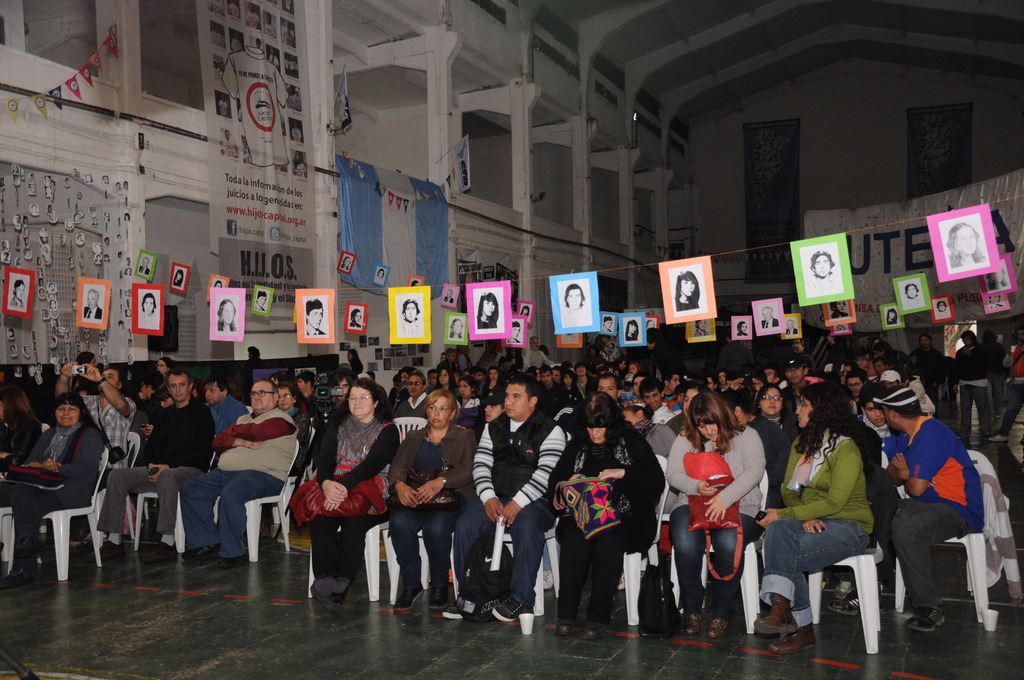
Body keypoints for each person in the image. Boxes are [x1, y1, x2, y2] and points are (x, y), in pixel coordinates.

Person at [753, 381, 873, 654]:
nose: (797, 410)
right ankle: (784, 612)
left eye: (804, 405)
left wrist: (789, 514)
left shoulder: (845, 448)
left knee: (786, 549)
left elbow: (834, 502)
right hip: (815, 520)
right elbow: (789, 491)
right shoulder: (802, 444)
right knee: (778, 530)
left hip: (850, 525)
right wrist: (803, 516)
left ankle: (799, 626)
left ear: (820, 410)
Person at [547, 392, 664, 639]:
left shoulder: (630, 440)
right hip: (582, 516)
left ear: (611, 423)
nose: (595, 433)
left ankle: (598, 617)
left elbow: (655, 481)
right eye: (590, 427)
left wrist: (624, 473)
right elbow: (555, 482)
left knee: (609, 541)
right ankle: (566, 615)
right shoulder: (578, 443)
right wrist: (568, 482)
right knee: (574, 540)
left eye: (600, 427)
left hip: (627, 516)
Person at [450, 375, 566, 621]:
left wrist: (518, 502)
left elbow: (547, 473)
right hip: (496, 497)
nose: (509, 402)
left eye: (516, 397)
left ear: (532, 401)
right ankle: (469, 593)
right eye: (507, 396)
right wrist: (488, 497)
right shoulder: (493, 427)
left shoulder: (551, 430)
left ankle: (521, 598)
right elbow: (481, 465)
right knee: (466, 523)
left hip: (537, 502)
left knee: (526, 524)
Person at [880, 386, 983, 631]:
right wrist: (902, 473)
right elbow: (892, 475)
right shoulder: (905, 435)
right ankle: (868, 585)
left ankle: (928, 606)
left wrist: (905, 475)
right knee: (878, 513)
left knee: (907, 530)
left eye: (884, 411)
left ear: (893, 414)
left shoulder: (931, 434)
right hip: (926, 503)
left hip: (958, 508)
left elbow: (915, 489)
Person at [668, 391, 765, 638]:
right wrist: (695, 486)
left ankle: (722, 611)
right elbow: (673, 474)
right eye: (701, 426)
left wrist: (725, 497)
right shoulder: (687, 436)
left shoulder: (747, 435)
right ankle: (691, 608)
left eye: (711, 423)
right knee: (685, 540)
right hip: (693, 501)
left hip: (741, 504)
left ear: (722, 415)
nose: (708, 431)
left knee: (728, 541)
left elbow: (754, 472)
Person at [98, 369, 214, 563]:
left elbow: (202, 453)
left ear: (190, 387)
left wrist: (168, 467)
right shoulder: (164, 414)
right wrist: (151, 464)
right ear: (168, 388)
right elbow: (150, 446)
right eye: (173, 386)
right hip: (161, 469)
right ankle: (114, 539)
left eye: (182, 385)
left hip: (191, 470)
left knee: (168, 476)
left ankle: (167, 541)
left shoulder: (201, 412)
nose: (178, 390)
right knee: (117, 476)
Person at [179, 380, 297, 567]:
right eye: (253, 393)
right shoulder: (243, 419)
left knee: (231, 495)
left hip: (264, 475)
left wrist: (232, 432)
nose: (256, 397)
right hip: (226, 472)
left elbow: (258, 432)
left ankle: (232, 552)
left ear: (275, 397)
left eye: (262, 393)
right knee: (191, 489)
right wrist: (237, 441)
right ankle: (205, 541)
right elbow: (217, 442)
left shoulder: (282, 420)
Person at [309, 378, 400, 612]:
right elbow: (325, 458)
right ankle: (328, 580)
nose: (357, 402)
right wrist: (326, 483)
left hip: (373, 494)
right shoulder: (338, 425)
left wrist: (342, 487)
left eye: (363, 397)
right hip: (336, 489)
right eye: (353, 397)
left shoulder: (388, 430)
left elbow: (371, 465)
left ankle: (336, 588)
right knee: (320, 519)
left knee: (354, 524)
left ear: (376, 402)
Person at [0, 394, 104, 589]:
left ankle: (21, 568)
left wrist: (56, 467)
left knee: (24, 503)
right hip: (40, 485)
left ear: (81, 413)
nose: (65, 413)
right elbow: (30, 460)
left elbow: (85, 467)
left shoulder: (90, 435)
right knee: (19, 492)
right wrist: (38, 464)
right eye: (61, 409)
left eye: (71, 409)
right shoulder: (48, 434)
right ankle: (29, 540)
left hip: (70, 491)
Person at [388, 389, 476, 611]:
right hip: (416, 496)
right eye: (432, 408)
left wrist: (442, 481)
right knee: (399, 522)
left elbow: (469, 469)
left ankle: (439, 584)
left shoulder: (464, 436)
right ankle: (411, 584)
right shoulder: (413, 437)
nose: (436, 413)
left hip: (448, 499)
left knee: (435, 529)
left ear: (452, 413)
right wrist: (399, 485)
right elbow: (397, 465)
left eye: (443, 409)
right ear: (426, 411)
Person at [954, 330, 989, 438]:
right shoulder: (960, 352)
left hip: (979, 383)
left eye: (968, 340)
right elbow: (956, 368)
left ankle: (985, 430)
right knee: (965, 409)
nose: (966, 342)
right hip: (964, 382)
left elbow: (984, 365)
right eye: (964, 340)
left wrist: (971, 355)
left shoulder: (981, 350)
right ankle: (965, 430)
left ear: (973, 339)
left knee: (982, 408)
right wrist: (955, 382)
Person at [0, 385, 42, 473]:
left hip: (15, 476)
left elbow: (16, 461)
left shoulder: (31, 427)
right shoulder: (3, 425)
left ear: (10, 406)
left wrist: (7, 456)